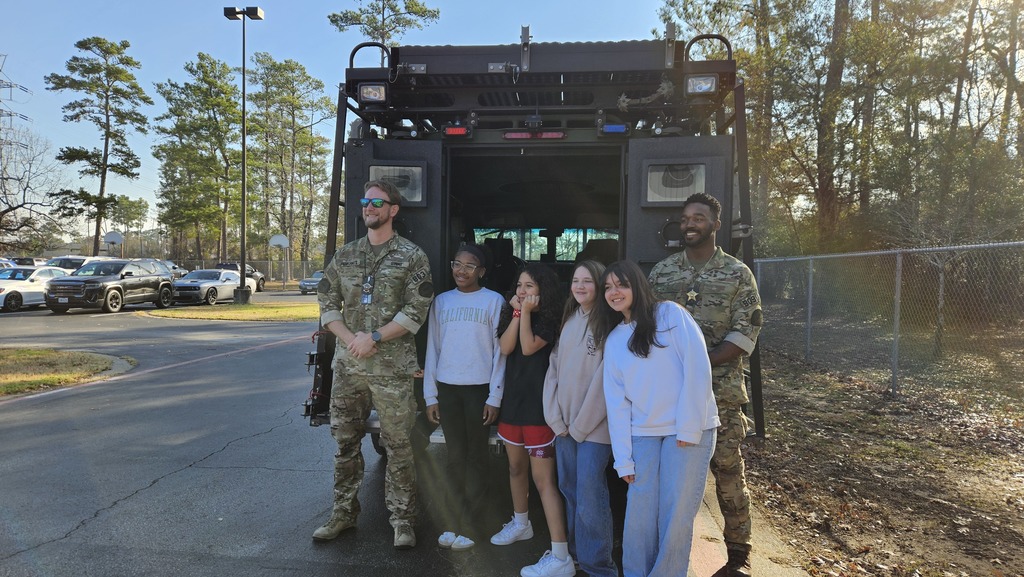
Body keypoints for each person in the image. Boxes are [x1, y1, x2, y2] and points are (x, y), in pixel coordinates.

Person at [648, 192, 763, 577]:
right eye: (685, 219)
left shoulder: (737, 273)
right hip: (669, 395)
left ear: (715, 224)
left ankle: (738, 556)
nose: (690, 224)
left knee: (728, 471)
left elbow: (745, 334)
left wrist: (698, 364)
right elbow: (644, 329)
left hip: (720, 395)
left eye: (699, 218)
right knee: (668, 478)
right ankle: (666, 550)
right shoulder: (662, 273)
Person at [314, 179, 434, 550]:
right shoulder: (346, 255)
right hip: (349, 370)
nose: (369, 207)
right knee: (345, 445)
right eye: (365, 202)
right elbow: (326, 302)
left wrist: (375, 337)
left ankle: (402, 520)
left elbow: (417, 311)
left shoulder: (412, 257)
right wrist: (350, 338)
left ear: (393, 210)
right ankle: (343, 514)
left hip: (392, 371)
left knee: (399, 446)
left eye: (377, 203)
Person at [592, 259, 719, 577]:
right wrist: (623, 460)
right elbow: (617, 404)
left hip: (688, 430)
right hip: (644, 433)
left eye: (621, 284)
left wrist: (690, 426)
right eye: (608, 287)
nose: (614, 292)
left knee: (675, 515)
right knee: (640, 514)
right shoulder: (615, 339)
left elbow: (697, 367)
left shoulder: (670, 314)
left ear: (637, 285)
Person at [491, 264, 575, 577]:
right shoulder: (512, 315)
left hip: (540, 411)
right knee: (515, 468)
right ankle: (520, 523)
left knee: (544, 482)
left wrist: (524, 313)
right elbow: (506, 347)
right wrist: (515, 313)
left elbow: (527, 348)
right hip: (513, 406)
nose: (523, 291)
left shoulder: (551, 320)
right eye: (520, 285)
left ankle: (561, 555)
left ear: (544, 290)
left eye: (530, 286)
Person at [423, 243, 506, 551]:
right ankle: (451, 522)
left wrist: (495, 396)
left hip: (479, 389)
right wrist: (430, 394)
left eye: (469, 266)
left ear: (481, 272)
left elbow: (501, 354)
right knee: (455, 458)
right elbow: (433, 348)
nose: (461, 270)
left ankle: (473, 524)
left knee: (477, 458)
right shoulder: (442, 302)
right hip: (448, 388)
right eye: (457, 264)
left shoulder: (494, 301)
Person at [542, 260, 618, 577]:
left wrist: (580, 427)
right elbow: (553, 370)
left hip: (593, 430)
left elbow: (605, 381)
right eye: (576, 280)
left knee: (590, 495)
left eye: (588, 280)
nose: (580, 286)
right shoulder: (571, 317)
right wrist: (556, 420)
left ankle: (599, 566)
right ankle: (575, 557)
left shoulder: (608, 323)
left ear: (599, 285)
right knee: (570, 490)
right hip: (565, 428)